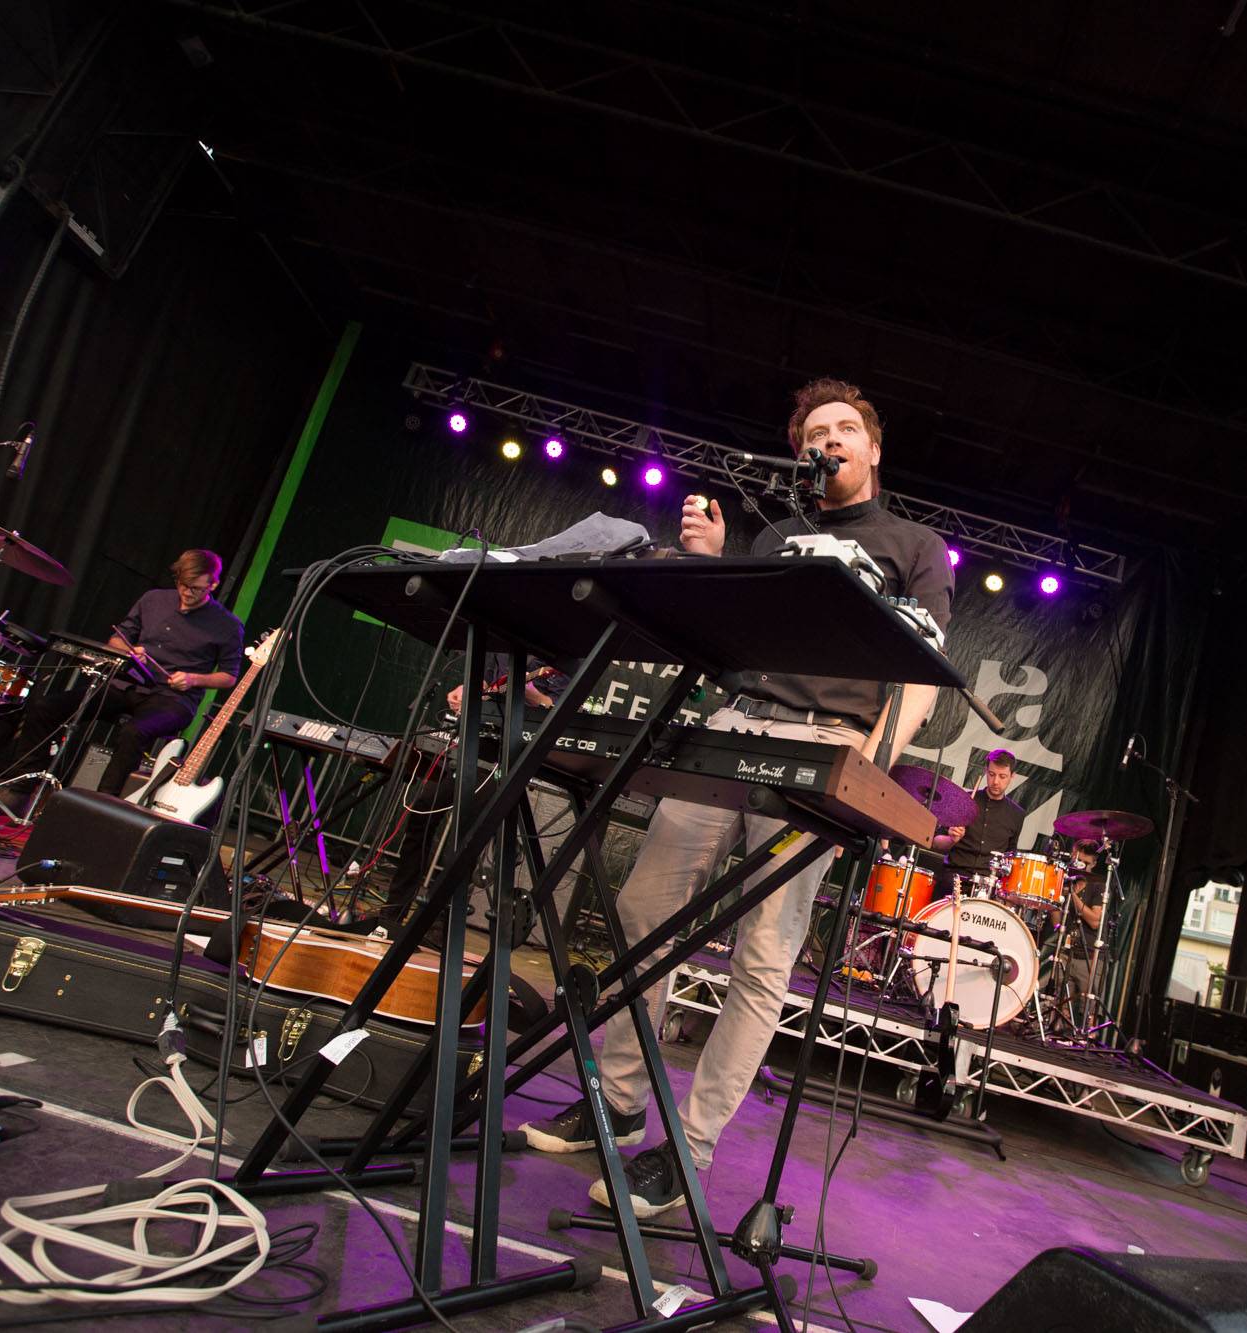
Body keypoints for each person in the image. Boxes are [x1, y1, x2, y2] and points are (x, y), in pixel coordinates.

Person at [519, 377, 954, 1218]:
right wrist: (712, 570)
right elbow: (729, 641)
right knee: (646, 910)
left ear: (870, 448)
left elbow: (923, 674)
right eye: (812, 435)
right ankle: (616, 1100)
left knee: (763, 954)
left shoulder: (913, 544)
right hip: (734, 724)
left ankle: (687, 1150)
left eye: (842, 430)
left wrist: (866, 765)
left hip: (824, 745)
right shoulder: (781, 534)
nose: (825, 443)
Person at [7, 549, 242, 796]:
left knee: (133, 733)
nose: (186, 592)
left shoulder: (227, 626)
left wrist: (194, 679)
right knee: (46, 708)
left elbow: (229, 676)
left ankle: (102, 804)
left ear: (213, 584)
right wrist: (130, 651)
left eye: (195, 588)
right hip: (125, 684)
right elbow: (116, 640)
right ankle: (22, 787)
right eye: (182, 584)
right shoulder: (153, 599)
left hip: (173, 699)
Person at [377, 657, 567, 928]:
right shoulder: (503, 643)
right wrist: (465, 689)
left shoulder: (566, 653)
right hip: (473, 742)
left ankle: (439, 925)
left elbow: (559, 709)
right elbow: (486, 681)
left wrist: (535, 697)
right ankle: (392, 912)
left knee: (466, 838)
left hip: (508, 756)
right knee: (422, 809)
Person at [931, 749, 1024, 896]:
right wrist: (951, 840)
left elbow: (1010, 858)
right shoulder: (964, 800)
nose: (995, 781)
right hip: (953, 879)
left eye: (1002, 776)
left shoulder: (1017, 814)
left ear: (1012, 776)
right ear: (986, 771)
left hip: (987, 887)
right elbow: (936, 842)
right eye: (992, 774)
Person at [1053, 839, 1106, 1023]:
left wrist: (1073, 895)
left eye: (1086, 863)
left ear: (1094, 863)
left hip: (1088, 955)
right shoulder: (1065, 879)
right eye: (1078, 861)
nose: (1081, 867)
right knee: (1059, 1008)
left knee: (1088, 1015)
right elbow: (1056, 921)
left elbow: (1094, 921)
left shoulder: (1098, 885)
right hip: (1065, 952)